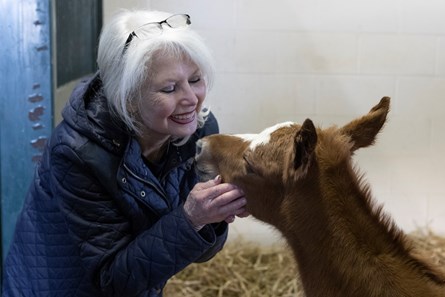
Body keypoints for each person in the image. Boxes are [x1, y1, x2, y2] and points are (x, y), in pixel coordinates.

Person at [3, 9, 248, 297]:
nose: (192, 100)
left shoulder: (198, 129)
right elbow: (113, 280)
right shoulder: (76, 152)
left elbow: (198, 249)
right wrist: (191, 218)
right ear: (128, 98)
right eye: (169, 88)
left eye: (195, 80)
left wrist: (212, 215)